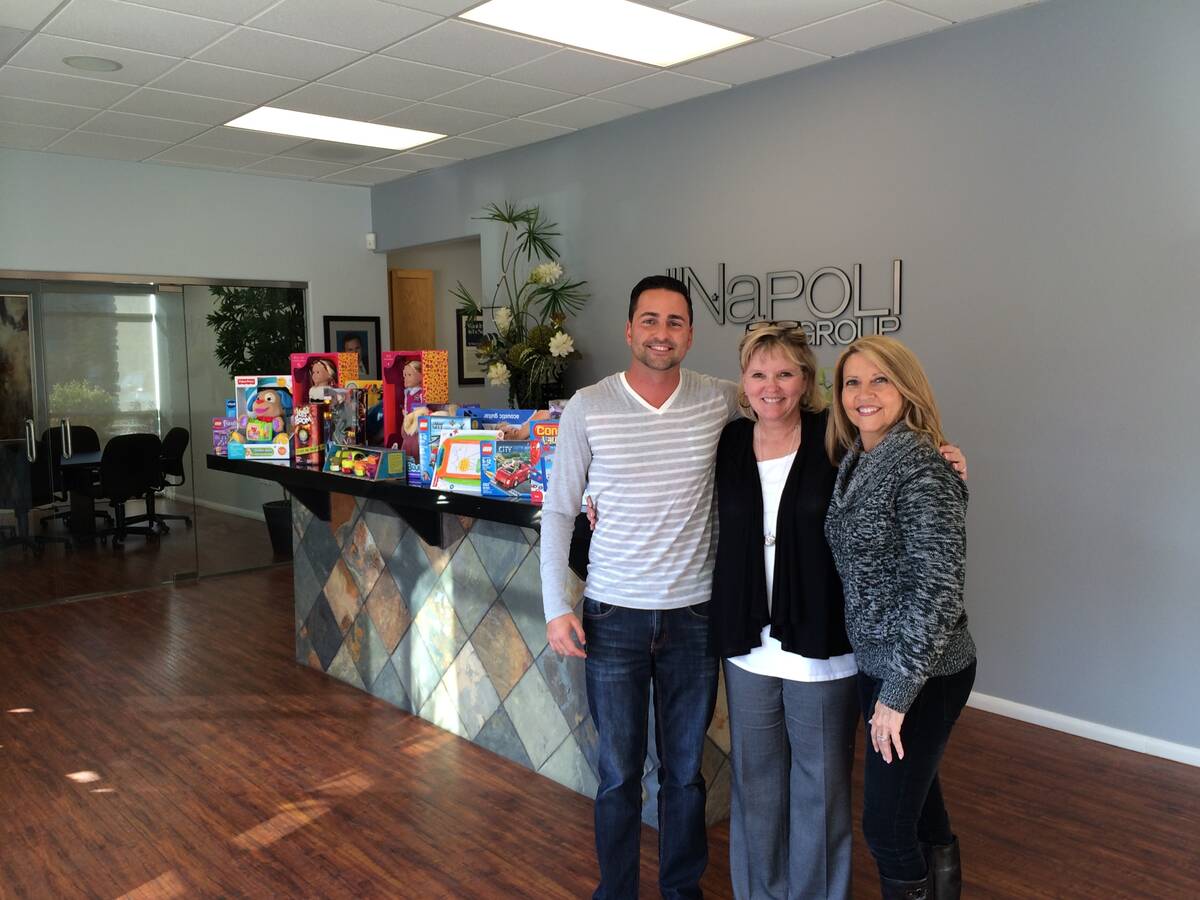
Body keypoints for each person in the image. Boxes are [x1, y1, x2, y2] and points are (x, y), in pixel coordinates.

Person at [709, 324, 966, 900]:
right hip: (748, 642)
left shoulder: (837, 436)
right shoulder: (728, 441)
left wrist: (949, 458)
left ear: (806, 381)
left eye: (785, 373)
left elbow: (903, 462)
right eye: (758, 374)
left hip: (821, 642)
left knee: (819, 788)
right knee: (757, 784)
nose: (771, 386)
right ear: (743, 383)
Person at [541, 275, 740, 900]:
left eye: (675, 321)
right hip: (613, 617)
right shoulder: (590, 405)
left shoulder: (720, 399)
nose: (662, 333)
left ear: (691, 333)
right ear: (629, 331)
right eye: (649, 321)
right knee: (618, 776)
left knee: (684, 776)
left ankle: (682, 892)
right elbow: (560, 510)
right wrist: (555, 608)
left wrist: (925, 444)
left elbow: (801, 405)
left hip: (693, 619)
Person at [823, 336, 976, 900]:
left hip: (922, 673)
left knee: (886, 829)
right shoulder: (859, 456)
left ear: (906, 387)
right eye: (851, 382)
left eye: (880, 379)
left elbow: (936, 590)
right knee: (919, 805)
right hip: (880, 663)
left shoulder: (918, 464)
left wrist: (897, 694)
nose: (864, 394)